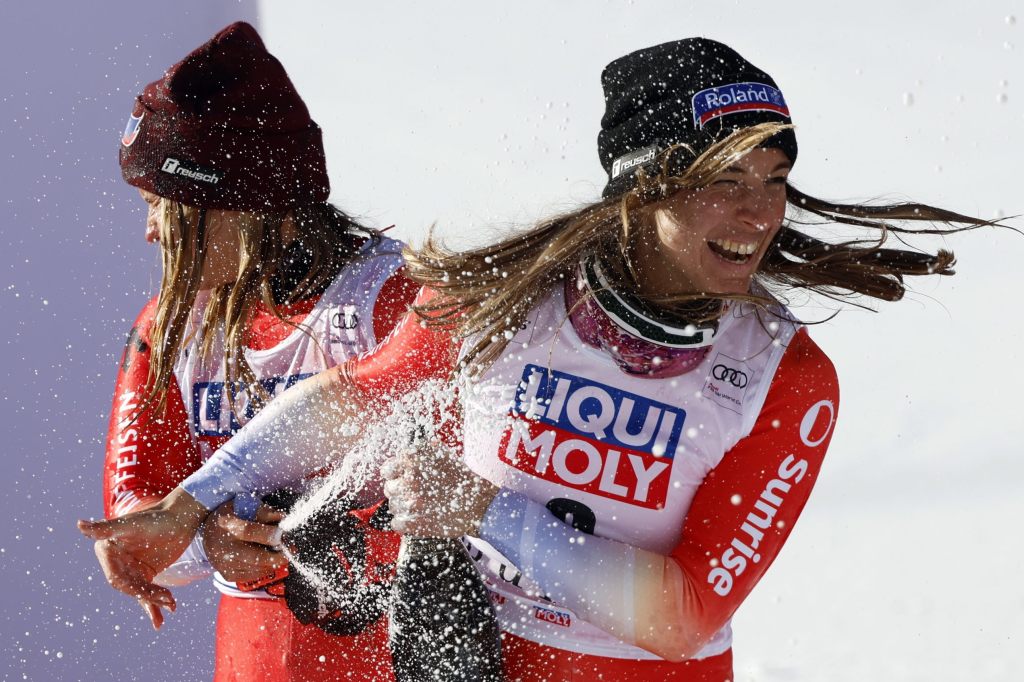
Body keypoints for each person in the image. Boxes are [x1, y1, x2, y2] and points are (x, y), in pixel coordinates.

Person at [81, 38, 999, 680]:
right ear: (645, 187)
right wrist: (189, 507)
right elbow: (351, 398)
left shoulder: (786, 378)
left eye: (774, 181)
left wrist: (481, 509)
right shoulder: (499, 304)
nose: (760, 214)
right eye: (726, 181)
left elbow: (683, 617)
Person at [94, 22, 416, 682]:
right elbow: (131, 524)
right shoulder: (169, 327)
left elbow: (481, 504)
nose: (151, 233)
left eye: (163, 206)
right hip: (249, 660)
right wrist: (210, 539)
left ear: (243, 202)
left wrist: (327, 542)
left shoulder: (392, 302)